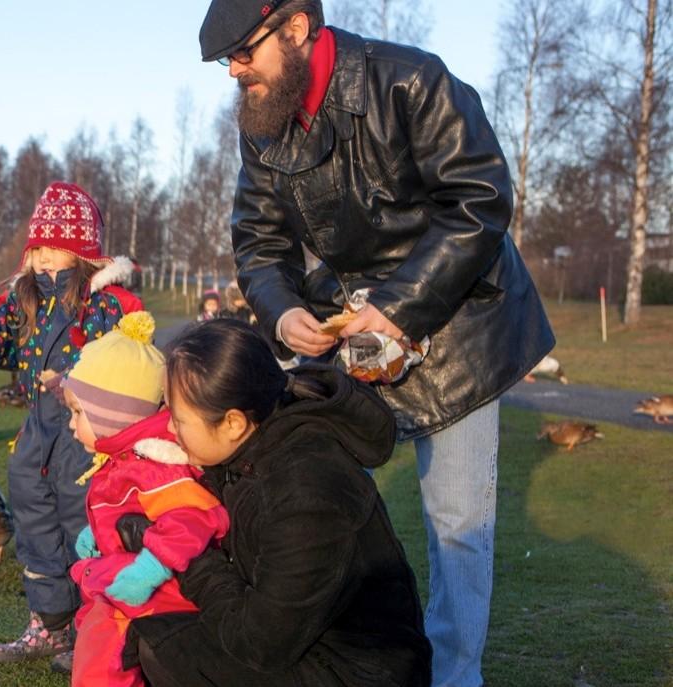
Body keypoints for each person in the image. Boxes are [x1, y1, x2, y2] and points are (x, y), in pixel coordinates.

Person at [197, 2, 555, 686]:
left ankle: (454, 677)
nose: (236, 71)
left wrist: (398, 308)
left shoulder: (412, 82)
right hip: (349, 341)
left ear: (296, 26)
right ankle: (352, 665)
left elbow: (481, 200)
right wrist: (283, 314)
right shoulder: (263, 124)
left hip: (461, 333)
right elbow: (259, 244)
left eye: (243, 51)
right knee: (314, 495)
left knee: (457, 525)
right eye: (228, 60)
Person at [122, 319, 431, 687]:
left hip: (359, 672)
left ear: (234, 422)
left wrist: (184, 553)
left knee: (166, 647)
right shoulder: (256, 444)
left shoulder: (307, 492)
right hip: (311, 646)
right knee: (156, 633)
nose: (170, 429)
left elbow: (260, 644)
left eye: (178, 418)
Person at [0, 181, 141, 672]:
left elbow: (132, 359)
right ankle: (48, 622)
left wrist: (80, 378)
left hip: (87, 442)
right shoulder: (26, 303)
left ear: (82, 253)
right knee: (35, 530)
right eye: (37, 248)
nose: (42, 259)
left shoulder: (109, 305)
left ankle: (94, 627)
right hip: (36, 438)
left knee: (86, 530)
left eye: (54, 249)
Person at [60, 311, 230, 687]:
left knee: (103, 663)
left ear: (113, 415)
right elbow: (130, 511)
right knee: (95, 636)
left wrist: (149, 570)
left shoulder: (155, 464)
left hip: (155, 594)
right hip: (124, 581)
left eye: (78, 412)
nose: (71, 424)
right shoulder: (123, 460)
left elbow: (194, 518)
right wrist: (100, 536)